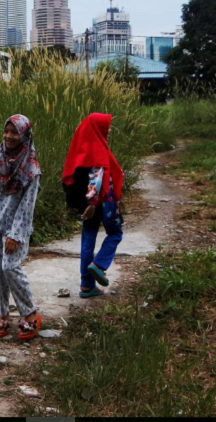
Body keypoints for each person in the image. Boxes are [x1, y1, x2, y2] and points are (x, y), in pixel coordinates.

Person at [0, 115, 42, 341]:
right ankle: (3, 313)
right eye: (6, 131)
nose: (8, 136)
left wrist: (16, 235)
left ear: (25, 134)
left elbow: (28, 206)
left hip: (15, 225)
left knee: (10, 266)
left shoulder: (31, 167)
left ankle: (30, 313)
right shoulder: (1, 153)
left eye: (14, 132)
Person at [62, 113, 124, 298]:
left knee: (88, 240)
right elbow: (96, 178)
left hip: (87, 204)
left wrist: (81, 204)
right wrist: (93, 203)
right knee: (115, 233)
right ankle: (99, 264)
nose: (110, 129)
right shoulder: (98, 149)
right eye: (107, 126)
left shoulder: (81, 147)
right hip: (103, 202)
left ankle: (86, 285)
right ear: (98, 128)